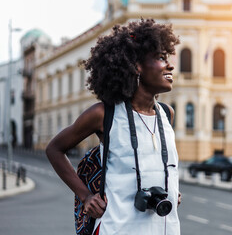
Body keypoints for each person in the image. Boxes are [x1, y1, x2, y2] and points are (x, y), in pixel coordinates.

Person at [46, 18, 181, 235]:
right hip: (117, 229)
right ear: (137, 65)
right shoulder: (104, 114)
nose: (170, 65)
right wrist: (86, 196)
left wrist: (171, 189)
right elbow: (54, 149)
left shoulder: (166, 114)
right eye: (161, 58)